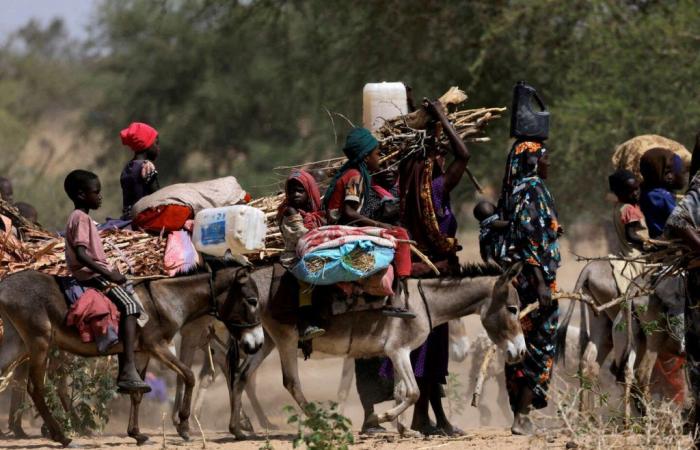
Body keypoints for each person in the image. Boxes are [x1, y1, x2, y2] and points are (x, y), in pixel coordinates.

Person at [395, 98, 471, 436]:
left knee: (430, 351)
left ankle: (432, 417)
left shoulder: (407, 187)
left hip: (418, 277)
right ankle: (420, 419)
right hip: (434, 280)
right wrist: (440, 114)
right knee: (428, 350)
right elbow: (464, 155)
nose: (444, 157)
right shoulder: (436, 188)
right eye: (439, 154)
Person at [63, 169, 150, 393]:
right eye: (96, 192)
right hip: (92, 276)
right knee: (131, 306)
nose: (100, 196)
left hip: (96, 273)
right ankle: (128, 368)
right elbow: (82, 255)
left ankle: (126, 366)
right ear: (82, 195)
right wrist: (109, 274)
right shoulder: (81, 218)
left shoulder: (82, 218)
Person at [499, 140, 561, 436]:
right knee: (538, 346)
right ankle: (522, 416)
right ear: (534, 161)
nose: (550, 163)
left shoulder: (515, 190)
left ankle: (519, 413)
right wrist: (541, 284)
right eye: (545, 157)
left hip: (519, 282)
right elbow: (530, 238)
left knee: (518, 346)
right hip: (535, 285)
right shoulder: (534, 188)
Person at [324, 127, 413, 318]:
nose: (379, 159)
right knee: (400, 235)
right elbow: (348, 212)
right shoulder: (355, 176)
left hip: (343, 224)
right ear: (366, 157)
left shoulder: (353, 173)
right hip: (341, 227)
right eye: (377, 154)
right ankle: (398, 295)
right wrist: (379, 225)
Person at [277, 169, 326, 341]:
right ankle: (305, 322)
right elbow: (302, 235)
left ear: (310, 191)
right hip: (295, 257)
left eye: (300, 190)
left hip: (314, 251)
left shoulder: (315, 212)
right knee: (306, 281)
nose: (295, 194)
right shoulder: (290, 212)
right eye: (292, 191)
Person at [639, 147, 684, 238]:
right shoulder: (661, 195)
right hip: (667, 239)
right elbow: (679, 222)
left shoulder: (645, 191)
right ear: (654, 171)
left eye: (671, 172)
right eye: (666, 172)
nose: (670, 176)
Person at [120, 122, 161, 219]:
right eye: (156, 143)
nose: (158, 148)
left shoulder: (127, 168)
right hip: (144, 218)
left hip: (128, 217)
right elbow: (159, 196)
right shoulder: (147, 167)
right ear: (147, 145)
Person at [608, 169, 649, 253]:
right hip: (637, 254)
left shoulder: (618, 207)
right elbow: (631, 235)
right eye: (630, 191)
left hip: (625, 252)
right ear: (619, 193)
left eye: (636, 188)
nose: (635, 193)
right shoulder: (629, 209)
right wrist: (648, 242)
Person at [474, 200, 509, 264]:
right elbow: (496, 224)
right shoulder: (492, 220)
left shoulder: (484, 223)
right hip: (490, 241)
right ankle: (489, 259)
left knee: (485, 251)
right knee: (488, 251)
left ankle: (488, 258)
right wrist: (509, 223)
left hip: (485, 241)